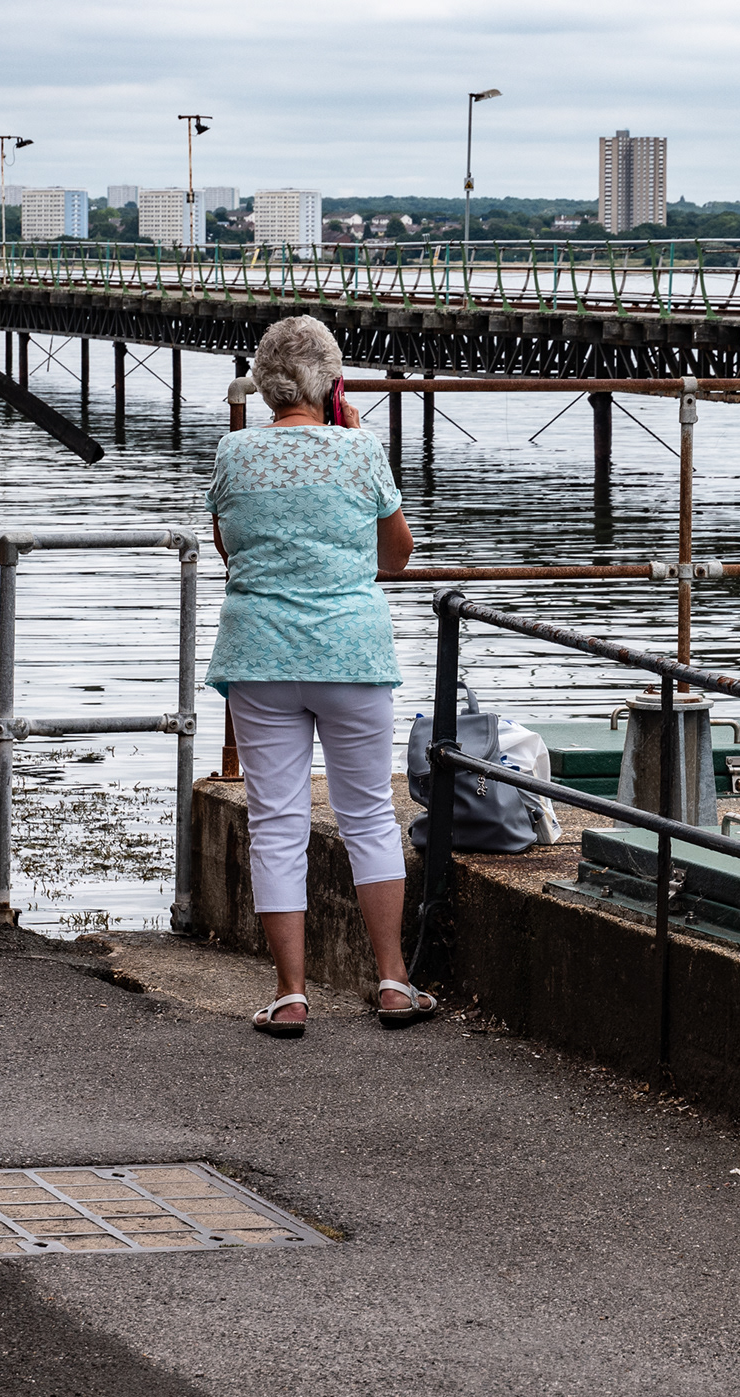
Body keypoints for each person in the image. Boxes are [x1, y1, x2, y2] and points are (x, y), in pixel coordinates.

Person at [206, 315, 432, 1038]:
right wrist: (351, 434)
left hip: (261, 656)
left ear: (266, 386)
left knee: (277, 823)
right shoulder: (362, 450)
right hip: (352, 656)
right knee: (367, 815)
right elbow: (396, 558)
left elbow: (229, 548)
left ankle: (291, 994)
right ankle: (394, 982)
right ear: (332, 382)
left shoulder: (235, 454)